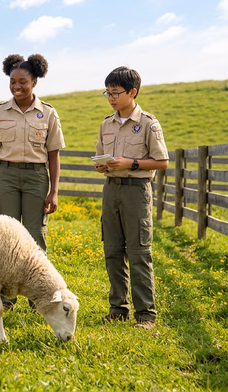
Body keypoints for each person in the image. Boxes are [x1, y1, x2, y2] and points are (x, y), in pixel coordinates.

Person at [0, 54, 65, 309]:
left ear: (35, 82)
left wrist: (53, 191)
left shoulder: (48, 113)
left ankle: (39, 295)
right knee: (6, 236)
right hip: (5, 176)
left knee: (36, 234)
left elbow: (54, 155)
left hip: (36, 177)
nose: (17, 87)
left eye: (23, 82)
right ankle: (6, 296)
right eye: (12, 82)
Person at [94, 66, 168, 330]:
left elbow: (162, 161)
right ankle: (118, 308)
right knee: (112, 251)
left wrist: (131, 163)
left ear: (132, 92)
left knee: (138, 252)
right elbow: (100, 155)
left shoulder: (148, 123)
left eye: (116, 92)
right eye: (108, 93)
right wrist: (102, 166)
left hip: (136, 192)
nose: (111, 97)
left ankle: (146, 315)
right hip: (111, 190)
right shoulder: (106, 123)